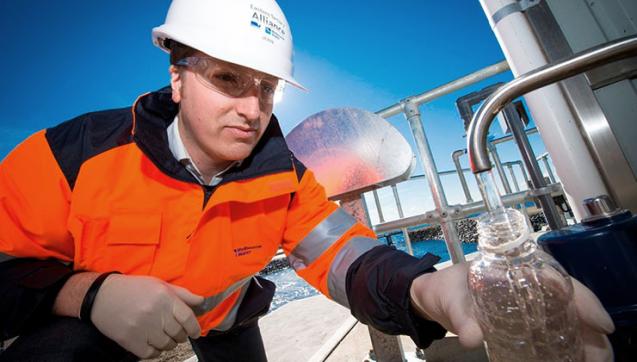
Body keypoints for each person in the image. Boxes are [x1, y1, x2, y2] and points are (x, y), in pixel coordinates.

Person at [0, 0, 614, 361]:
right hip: (95, 327)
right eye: (229, 79)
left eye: (266, 87)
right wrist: (88, 295)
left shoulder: (283, 178)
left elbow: (347, 257)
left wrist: (430, 290)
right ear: (178, 75)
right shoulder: (70, 157)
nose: (252, 106)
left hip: (228, 323)